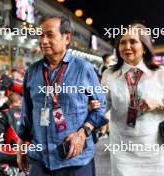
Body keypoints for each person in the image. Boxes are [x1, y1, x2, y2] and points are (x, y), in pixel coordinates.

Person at [17, 14, 108, 176]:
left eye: (50, 35)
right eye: (41, 35)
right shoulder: (32, 72)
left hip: (74, 159)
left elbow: (100, 106)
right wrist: (22, 144)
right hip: (40, 159)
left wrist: (83, 133)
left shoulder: (83, 69)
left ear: (66, 38)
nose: (43, 41)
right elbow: (27, 112)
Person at [101, 23, 164, 176]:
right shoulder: (109, 75)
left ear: (144, 47)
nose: (127, 46)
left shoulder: (160, 73)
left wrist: (159, 104)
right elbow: (103, 107)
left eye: (133, 41)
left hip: (156, 151)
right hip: (122, 151)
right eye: (122, 42)